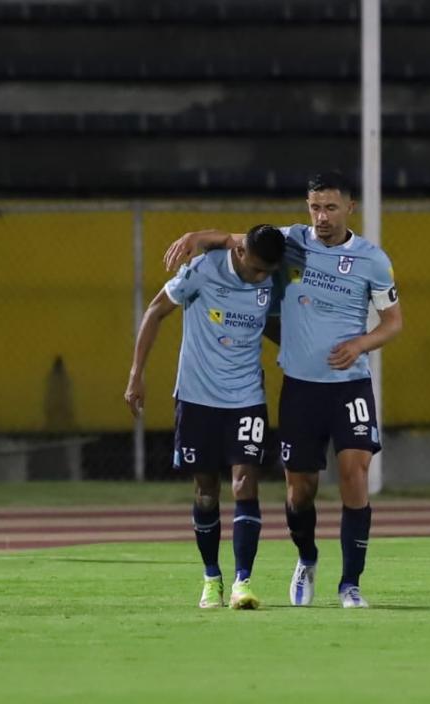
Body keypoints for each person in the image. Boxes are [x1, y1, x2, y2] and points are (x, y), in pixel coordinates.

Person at [164, 172, 403, 609]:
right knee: (299, 491)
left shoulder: (373, 259)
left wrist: (360, 344)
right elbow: (235, 240)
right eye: (314, 207)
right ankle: (307, 558)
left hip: (350, 386)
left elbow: (393, 322)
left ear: (350, 207)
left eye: (330, 207)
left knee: (355, 476)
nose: (322, 216)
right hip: (301, 388)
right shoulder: (292, 241)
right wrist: (195, 236)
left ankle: (350, 584)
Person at [126, 224, 285, 610]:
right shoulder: (203, 269)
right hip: (198, 397)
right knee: (206, 490)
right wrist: (136, 374)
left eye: (269, 272)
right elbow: (155, 311)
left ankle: (242, 583)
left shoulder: (269, 269)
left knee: (245, 482)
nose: (263, 278)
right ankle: (211, 577)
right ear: (243, 254)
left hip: (247, 396)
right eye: (258, 269)